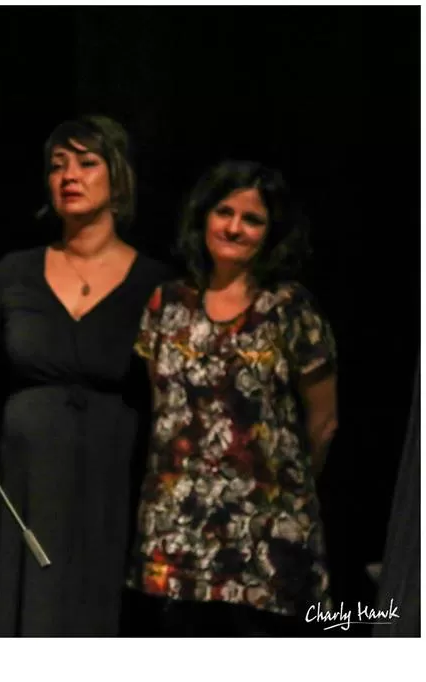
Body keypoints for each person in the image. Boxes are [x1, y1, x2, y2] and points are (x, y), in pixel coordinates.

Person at [0, 115, 168, 635]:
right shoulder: (15, 272)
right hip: (29, 475)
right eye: (58, 165)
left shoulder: (155, 283)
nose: (69, 176)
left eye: (86, 163)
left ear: (117, 176)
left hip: (112, 475)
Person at [124, 160, 338, 636]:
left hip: (264, 541)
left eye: (252, 219)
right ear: (204, 216)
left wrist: (281, 496)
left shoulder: (288, 308)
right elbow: (161, 410)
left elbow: (324, 422)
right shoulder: (166, 304)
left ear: (271, 233)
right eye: (225, 212)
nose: (234, 228)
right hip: (176, 538)